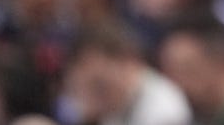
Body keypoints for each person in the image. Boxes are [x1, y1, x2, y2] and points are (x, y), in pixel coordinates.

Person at [61, 21, 191, 125]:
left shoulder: (164, 108)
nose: (92, 96)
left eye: (100, 85)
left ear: (129, 63)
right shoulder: (114, 105)